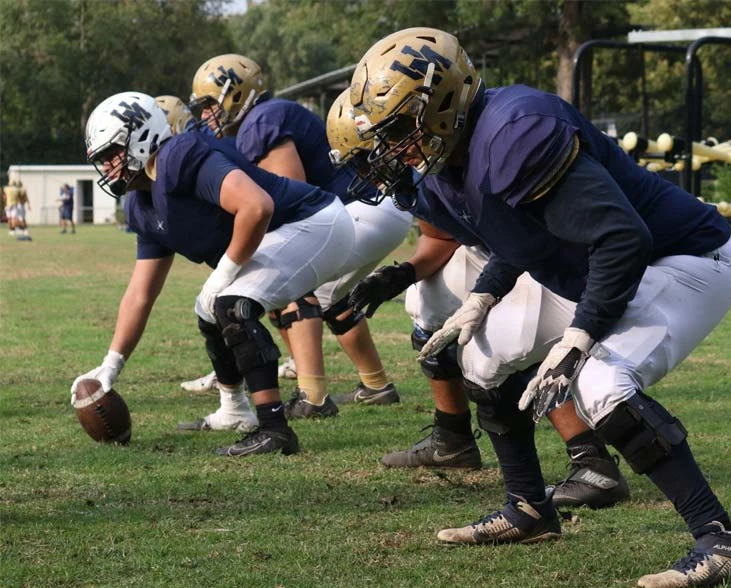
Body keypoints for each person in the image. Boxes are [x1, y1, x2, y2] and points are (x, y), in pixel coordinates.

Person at [343, 27, 731, 588]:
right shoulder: (446, 167)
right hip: (599, 266)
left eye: (399, 129)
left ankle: (721, 540)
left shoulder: (516, 130)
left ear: (441, 101)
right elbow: (522, 238)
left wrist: (580, 338)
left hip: (684, 258)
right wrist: (482, 299)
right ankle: (529, 509)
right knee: (482, 359)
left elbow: (622, 239)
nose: (397, 151)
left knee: (600, 384)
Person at [329, 90, 630, 511]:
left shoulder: (451, 149)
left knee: (512, 340)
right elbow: (441, 238)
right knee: (427, 300)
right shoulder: (419, 170)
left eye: (370, 156)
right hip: (494, 251)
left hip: (534, 249)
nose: (370, 171)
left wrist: (491, 290)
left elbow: (524, 228)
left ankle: (591, 458)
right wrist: (401, 274)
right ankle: (452, 436)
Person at [71, 91, 354, 456]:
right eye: (102, 159)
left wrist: (226, 272)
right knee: (208, 311)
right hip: (285, 232)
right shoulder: (141, 205)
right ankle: (235, 409)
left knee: (230, 303)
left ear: (142, 135)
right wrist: (111, 365)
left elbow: (256, 206)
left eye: (112, 154)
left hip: (316, 222)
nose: (108, 167)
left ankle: (274, 428)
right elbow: (140, 294)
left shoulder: (178, 156)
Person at [181, 54, 411, 419]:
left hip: (360, 210)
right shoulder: (267, 115)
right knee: (334, 298)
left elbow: (293, 199)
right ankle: (376, 385)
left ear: (234, 93)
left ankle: (313, 397)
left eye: (210, 104)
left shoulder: (261, 120)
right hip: (377, 209)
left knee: (288, 278)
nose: (207, 114)